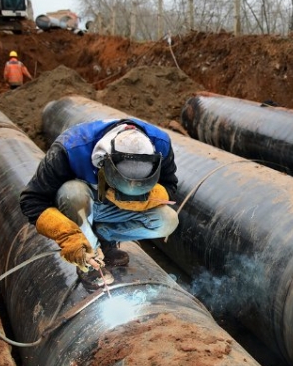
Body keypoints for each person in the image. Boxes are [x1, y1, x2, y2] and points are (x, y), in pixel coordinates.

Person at [19, 119, 179, 290]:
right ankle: (89, 258)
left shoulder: (161, 144)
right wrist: (67, 236)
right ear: (102, 162)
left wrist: (147, 198)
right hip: (79, 208)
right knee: (72, 192)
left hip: (113, 209)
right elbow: (31, 200)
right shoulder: (70, 148)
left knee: (168, 220)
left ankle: (105, 238)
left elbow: (170, 184)